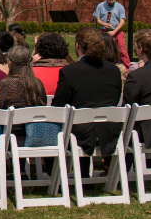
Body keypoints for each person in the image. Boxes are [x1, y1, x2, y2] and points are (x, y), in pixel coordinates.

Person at [52, 27, 123, 176]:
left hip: (79, 132)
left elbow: (59, 106)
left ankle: (64, 176)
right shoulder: (114, 70)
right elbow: (115, 100)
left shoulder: (69, 71)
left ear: (77, 45)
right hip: (109, 131)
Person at [0, 46, 47, 111]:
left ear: (10, 61)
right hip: (34, 120)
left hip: (12, 120)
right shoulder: (37, 83)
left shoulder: (5, 84)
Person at [93, 0, 130, 67]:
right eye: (109, 0)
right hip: (104, 30)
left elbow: (122, 21)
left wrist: (114, 32)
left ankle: (127, 68)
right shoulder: (100, 6)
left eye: (113, 0)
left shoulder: (120, 7)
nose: (111, 1)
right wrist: (104, 24)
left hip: (116, 30)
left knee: (122, 50)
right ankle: (101, 66)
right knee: (101, 48)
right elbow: (97, 19)